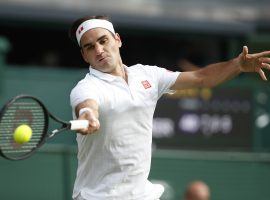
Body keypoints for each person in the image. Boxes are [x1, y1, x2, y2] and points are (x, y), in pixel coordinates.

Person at [68, 15, 270, 200]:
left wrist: (237, 65)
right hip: (97, 196)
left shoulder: (147, 75)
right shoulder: (87, 87)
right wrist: (88, 115)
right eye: (90, 47)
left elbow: (201, 77)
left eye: (103, 41)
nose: (99, 50)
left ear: (117, 40)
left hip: (141, 195)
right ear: (84, 55)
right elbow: (86, 106)